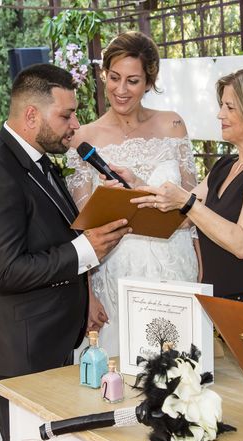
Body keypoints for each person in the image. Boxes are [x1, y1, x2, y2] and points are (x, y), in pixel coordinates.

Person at [0, 63, 130, 441]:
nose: (74, 126)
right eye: (65, 116)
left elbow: (51, 233)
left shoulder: (36, 160)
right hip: (17, 345)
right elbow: (8, 270)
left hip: (45, 334)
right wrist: (85, 251)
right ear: (31, 115)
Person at [126, 66, 243, 315]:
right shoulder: (225, 167)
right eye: (222, 105)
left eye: (230, 107)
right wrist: (135, 184)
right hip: (226, 307)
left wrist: (187, 202)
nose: (219, 114)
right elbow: (179, 219)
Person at [66, 31, 201, 356]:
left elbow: (193, 207)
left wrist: (199, 259)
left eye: (133, 80)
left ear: (149, 81)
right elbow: (82, 228)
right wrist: (88, 295)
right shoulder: (84, 137)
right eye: (114, 78)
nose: (121, 90)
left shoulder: (172, 125)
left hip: (176, 266)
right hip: (116, 272)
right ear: (103, 75)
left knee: (181, 372)